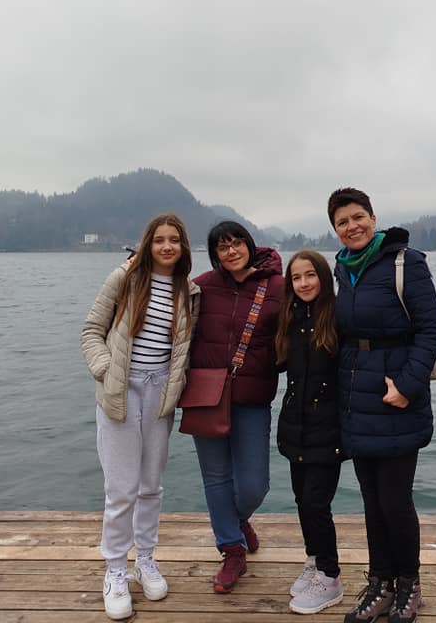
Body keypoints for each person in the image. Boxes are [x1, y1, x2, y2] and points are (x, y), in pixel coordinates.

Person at [327, 188, 436, 623]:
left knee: (395, 501)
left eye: (358, 217)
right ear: (335, 230)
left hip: (397, 398)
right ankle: (380, 583)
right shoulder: (343, 269)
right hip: (357, 399)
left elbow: (431, 330)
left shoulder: (405, 263)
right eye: (342, 222)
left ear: (373, 218)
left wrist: (408, 387)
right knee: (371, 501)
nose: (352, 226)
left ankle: (409, 584)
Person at [80, 213, 200, 620]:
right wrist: (106, 370)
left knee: (151, 486)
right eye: (159, 239)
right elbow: (91, 330)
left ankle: (145, 559)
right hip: (121, 390)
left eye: (174, 240)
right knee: (121, 490)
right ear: (148, 243)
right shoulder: (125, 278)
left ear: (183, 247)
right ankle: (115, 568)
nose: (167, 246)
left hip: (160, 393)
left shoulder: (189, 291)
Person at [189, 221, 284, 593]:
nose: (231, 251)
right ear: (215, 254)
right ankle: (231, 550)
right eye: (222, 247)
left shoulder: (277, 287)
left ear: (250, 244)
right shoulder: (201, 286)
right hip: (205, 394)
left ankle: (238, 519)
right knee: (215, 477)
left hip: (253, 396)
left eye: (237, 243)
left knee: (254, 485)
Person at [275, 250, 344, 615]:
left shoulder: (338, 316)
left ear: (323, 277)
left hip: (329, 428)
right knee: (302, 499)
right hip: (295, 426)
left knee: (317, 503)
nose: (303, 283)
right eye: (296, 277)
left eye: (310, 275)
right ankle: (314, 560)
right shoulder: (290, 318)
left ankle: (330, 577)